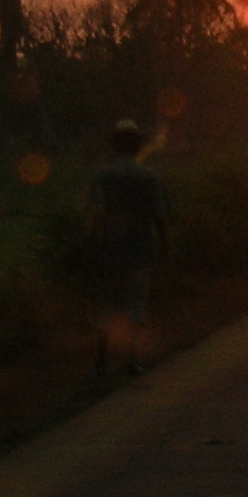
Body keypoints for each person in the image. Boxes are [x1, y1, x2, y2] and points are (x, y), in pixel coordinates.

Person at [86, 119, 168, 377]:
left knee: (105, 305)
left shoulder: (103, 176)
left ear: (116, 145)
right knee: (136, 305)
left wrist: (91, 247)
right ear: (136, 146)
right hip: (140, 250)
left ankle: (101, 362)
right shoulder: (149, 177)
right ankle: (131, 360)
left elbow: (97, 216)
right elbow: (159, 216)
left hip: (109, 250)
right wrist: (166, 246)